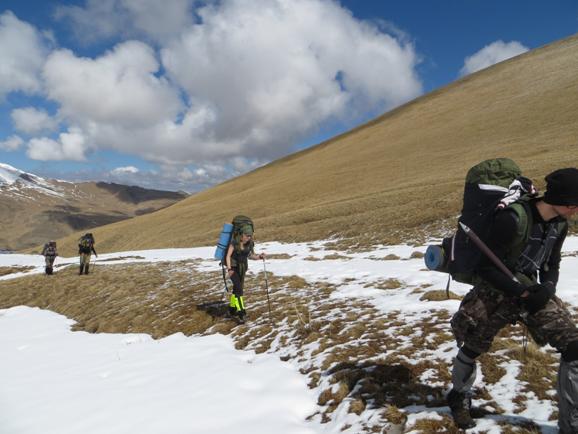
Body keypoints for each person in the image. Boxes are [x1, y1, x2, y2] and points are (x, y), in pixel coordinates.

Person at [447, 168, 578, 432]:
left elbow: (553, 262)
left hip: (531, 292)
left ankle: (571, 426)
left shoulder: (560, 225)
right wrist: (521, 293)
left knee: (575, 348)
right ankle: (458, 397)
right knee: (472, 347)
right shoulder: (512, 219)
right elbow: (485, 267)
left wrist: (548, 287)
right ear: (567, 203)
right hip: (494, 293)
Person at [224, 224, 265, 323]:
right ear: (241, 234)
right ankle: (241, 313)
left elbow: (250, 255)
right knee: (239, 290)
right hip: (233, 269)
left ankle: (231, 310)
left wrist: (259, 257)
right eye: (247, 235)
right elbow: (228, 256)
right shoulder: (234, 243)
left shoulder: (249, 244)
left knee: (237, 289)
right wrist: (229, 269)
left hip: (242, 269)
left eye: (250, 235)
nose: (248, 237)